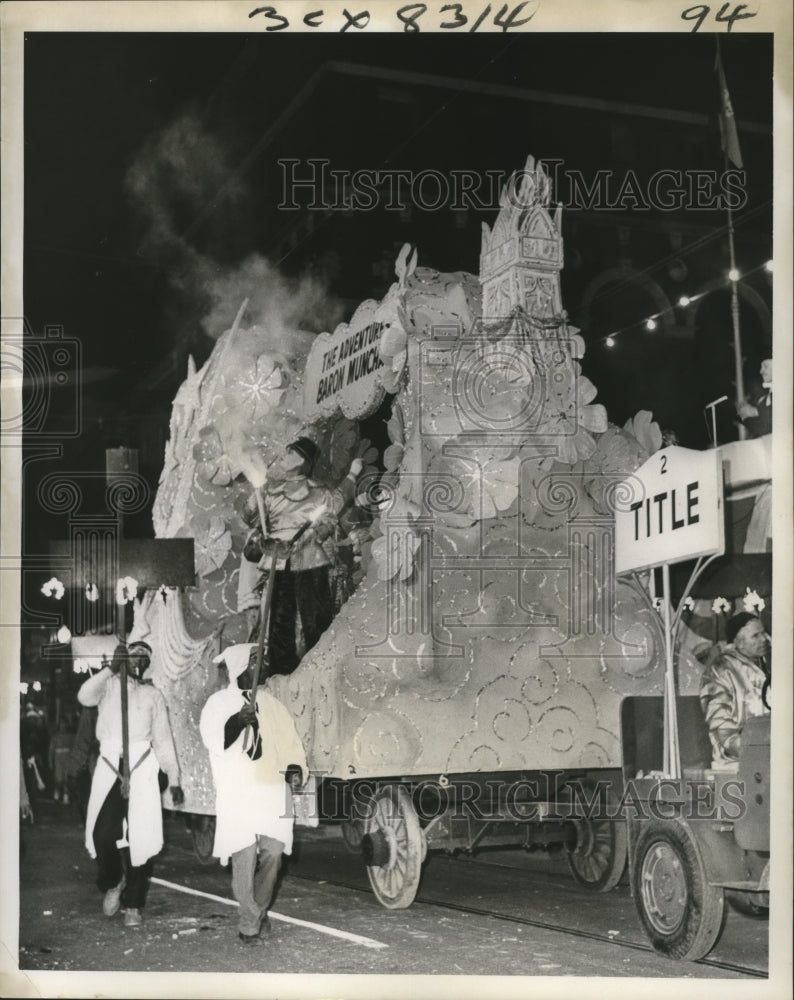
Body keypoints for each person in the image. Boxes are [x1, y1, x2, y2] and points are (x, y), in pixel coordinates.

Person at [199, 643, 308, 944]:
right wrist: (237, 722)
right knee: (244, 856)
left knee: (274, 853)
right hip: (238, 792)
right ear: (238, 667)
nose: (264, 664)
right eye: (256, 661)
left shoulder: (273, 705)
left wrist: (295, 770)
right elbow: (213, 741)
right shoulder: (219, 703)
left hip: (272, 791)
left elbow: (290, 745)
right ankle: (249, 922)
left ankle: (257, 909)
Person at [77, 640, 184, 927]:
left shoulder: (152, 695)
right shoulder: (108, 686)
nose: (138, 662)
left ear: (148, 664)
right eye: (133, 657)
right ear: (123, 659)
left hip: (142, 766)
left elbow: (162, 740)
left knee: (141, 837)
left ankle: (134, 904)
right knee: (102, 835)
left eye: (144, 659)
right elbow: (84, 697)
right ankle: (113, 881)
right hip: (111, 763)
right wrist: (109, 669)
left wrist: (173, 778)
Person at [241, 437, 362, 674]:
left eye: (290, 453)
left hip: (309, 560)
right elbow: (249, 518)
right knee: (279, 621)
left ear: (303, 461)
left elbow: (330, 513)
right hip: (277, 560)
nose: (284, 456)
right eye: (285, 452)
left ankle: (318, 669)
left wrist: (320, 533)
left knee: (315, 618)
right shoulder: (270, 492)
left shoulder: (318, 492)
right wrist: (256, 495)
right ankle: (281, 671)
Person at [699, 612, 770, 763]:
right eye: (755, 636)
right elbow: (720, 723)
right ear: (738, 642)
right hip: (737, 763)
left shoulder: (768, 663)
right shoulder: (721, 670)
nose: (764, 639)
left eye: (764, 633)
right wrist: (748, 749)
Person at [736, 358, 772, 438]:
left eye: (765, 367)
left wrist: (755, 411)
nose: (761, 371)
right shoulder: (765, 397)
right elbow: (762, 428)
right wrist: (743, 416)